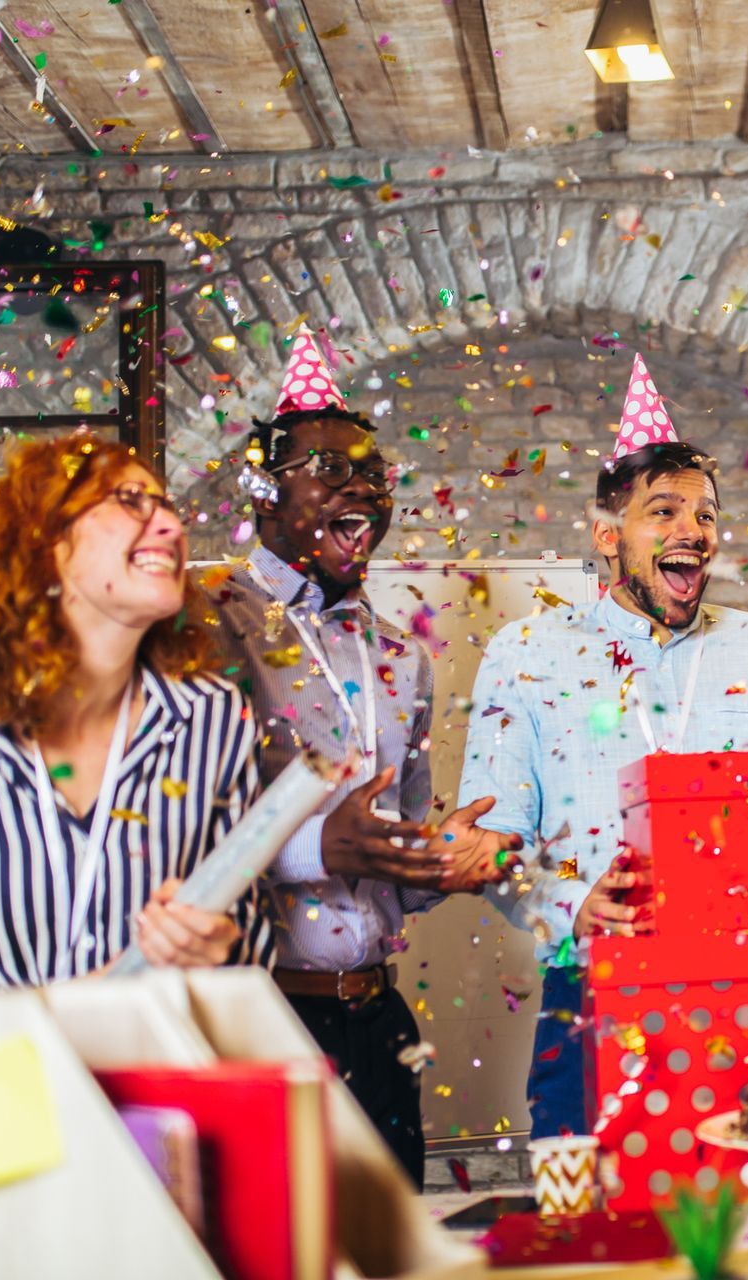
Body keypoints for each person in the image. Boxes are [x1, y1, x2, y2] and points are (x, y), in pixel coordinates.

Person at [0, 435, 271, 1280]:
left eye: (167, 504)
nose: (169, 522)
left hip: (136, 1130)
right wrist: (24, 1028)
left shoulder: (212, 722)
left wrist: (214, 947)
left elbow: (251, 945)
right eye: (130, 501)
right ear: (43, 543)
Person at [458, 354, 748, 1138]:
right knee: (592, 1203)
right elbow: (496, 843)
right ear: (608, 535)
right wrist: (572, 903)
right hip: (593, 988)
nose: (693, 532)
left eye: (706, 515)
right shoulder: (526, 653)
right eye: (664, 512)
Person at [208, 327, 515, 1182]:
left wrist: (439, 860)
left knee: (393, 1245)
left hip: (381, 1024)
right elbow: (179, 847)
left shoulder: (400, 657)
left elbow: (395, 862)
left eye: (375, 475)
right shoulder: (208, 626)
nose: (365, 490)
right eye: (331, 470)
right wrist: (320, 847)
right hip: (261, 1021)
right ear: (265, 493)